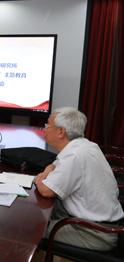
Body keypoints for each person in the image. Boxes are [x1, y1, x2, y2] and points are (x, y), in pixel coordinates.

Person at [34, 107, 123, 251]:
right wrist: (48, 171)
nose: (45, 129)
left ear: (61, 132)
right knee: (38, 217)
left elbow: (46, 191)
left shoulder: (75, 155)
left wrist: (39, 178)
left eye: (48, 125)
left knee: (32, 230)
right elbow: (53, 165)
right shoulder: (85, 145)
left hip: (94, 232)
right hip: (94, 223)